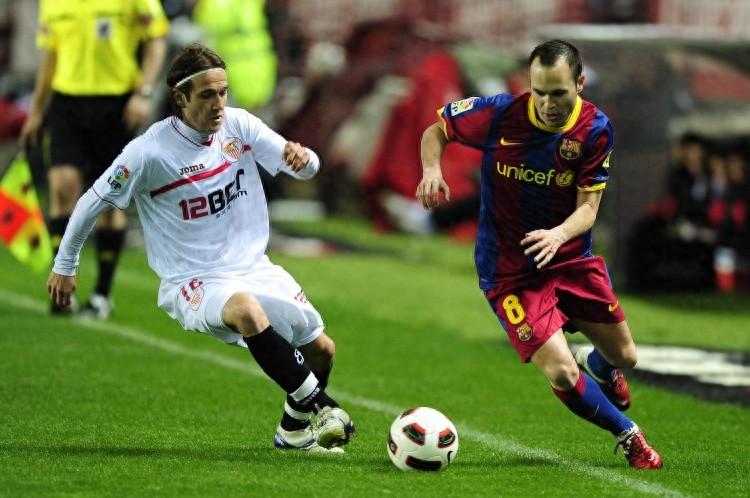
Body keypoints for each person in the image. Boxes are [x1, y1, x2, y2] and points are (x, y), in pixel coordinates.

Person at [47, 44, 356, 453]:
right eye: (207, 95)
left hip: (252, 266)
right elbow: (92, 201)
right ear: (180, 97)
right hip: (193, 279)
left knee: (321, 350)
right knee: (247, 311)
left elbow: (304, 165)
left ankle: (293, 431)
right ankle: (325, 406)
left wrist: (305, 158)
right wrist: (65, 264)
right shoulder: (149, 152)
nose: (219, 104)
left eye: (223, 92)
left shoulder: (238, 126)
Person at [417, 40, 662, 469]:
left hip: (569, 259)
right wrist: (432, 169)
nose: (547, 104)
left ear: (579, 84)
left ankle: (602, 368)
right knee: (562, 372)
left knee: (625, 356)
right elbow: (436, 130)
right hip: (509, 272)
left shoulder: (595, 128)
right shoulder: (499, 114)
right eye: (539, 92)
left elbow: (588, 209)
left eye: (558, 93)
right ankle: (628, 434)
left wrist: (557, 235)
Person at [19, 0, 170, 318]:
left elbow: (157, 39)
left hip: (115, 104)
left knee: (110, 200)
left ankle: (102, 294)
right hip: (66, 103)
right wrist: (36, 111)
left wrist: (143, 92)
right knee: (62, 187)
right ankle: (63, 288)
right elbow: (51, 55)